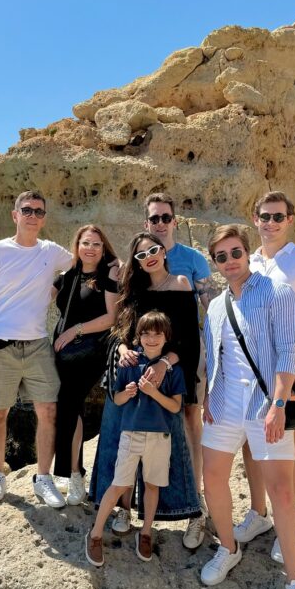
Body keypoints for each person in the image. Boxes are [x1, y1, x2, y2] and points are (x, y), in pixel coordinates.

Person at [201, 224, 295, 589]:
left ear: (247, 253)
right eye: (222, 257)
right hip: (224, 403)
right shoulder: (216, 306)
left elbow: (288, 353)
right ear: (215, 263)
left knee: (280, 492)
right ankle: (228, 548)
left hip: (264, 403)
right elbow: (214, 355)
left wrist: (279, 405)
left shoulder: (277, 293)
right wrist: (207, 397)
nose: (230, 261)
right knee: (213, 478)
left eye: (236, 253)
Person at [235, 191, 295, 563]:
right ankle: (258, 513)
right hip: (249, 368)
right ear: (255, 219)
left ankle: (285, 525)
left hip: (288, 367)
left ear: (290, 219)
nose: (271, 223)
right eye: (265, 216)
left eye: (278, 216)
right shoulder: (249, 262)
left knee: (287, 443)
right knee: (251, 441)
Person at [88, 233, 201, 535]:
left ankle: (178, 512)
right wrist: (123, 349)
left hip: (166, 376)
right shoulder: (135, 290)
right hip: (130, 373)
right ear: (136, 263)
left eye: (153, 250)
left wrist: (164, 364)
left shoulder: (181, 283)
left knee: (165, 446)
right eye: (141, 255)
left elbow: (189, 340)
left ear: (163, 251)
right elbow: (120, 332)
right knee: (119, 440)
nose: (148, 257)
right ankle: (122, 510)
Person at [0, 190, 73, 507]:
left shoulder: (51, 251)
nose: (32, 216)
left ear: (44, 219)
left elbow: (85, 263)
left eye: (38, 211)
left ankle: (43, 478)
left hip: (38, 344)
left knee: (49, 412)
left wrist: (54, 289)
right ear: (15, 215)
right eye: (27, 210)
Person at [143, 192, 216, 550]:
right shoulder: (142, 258)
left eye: (165, 217)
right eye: (154, 218)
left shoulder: (192, 260)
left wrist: (218, 353)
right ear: (147, 223)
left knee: (191, 417)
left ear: (174, 221)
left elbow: (211, 307)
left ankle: (195, 499)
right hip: (150, 352)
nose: (160, 223)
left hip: (187, 352)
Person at [86, 311, 185, 566]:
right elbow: (117, 399)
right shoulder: (129, 364)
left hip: (160, 437)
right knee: (119, 484)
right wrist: (128, 393)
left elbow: (175, 407)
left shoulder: (172, 369)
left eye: (157, 334)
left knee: (152, 485)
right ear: (138, 336)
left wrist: (153, 392)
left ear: (166, 337)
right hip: (130, 434)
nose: (151, 339)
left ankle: (146, 532)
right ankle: (95, 534)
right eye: (146, 334)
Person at [51, 225, 120, 504]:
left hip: (91, 349)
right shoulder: (68, 275)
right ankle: (72, 473)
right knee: (69, 406)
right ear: (77, 246)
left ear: (104, 249)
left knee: (68, 403)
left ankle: (74, 475)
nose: (90, 248)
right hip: (64, 351)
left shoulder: (108, 275)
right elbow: (39, 295)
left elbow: (112, 317)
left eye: (96, 244)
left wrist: (74, 331)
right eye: (86, 243)